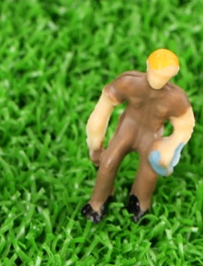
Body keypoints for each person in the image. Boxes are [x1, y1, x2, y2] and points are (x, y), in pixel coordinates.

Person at [82, 49, 195, 223]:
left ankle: (140, 204)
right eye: (156, 73)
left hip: (151, 135)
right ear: (148, 66)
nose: (159, 80)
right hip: (127, 129)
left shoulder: (176, 99)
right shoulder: (129, 82)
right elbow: (102, 109)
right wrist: (95, 142)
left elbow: (185, 125)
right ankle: (97, 202)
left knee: (148, 172)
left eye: (165, 76)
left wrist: (172, 146)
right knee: (108, 161)